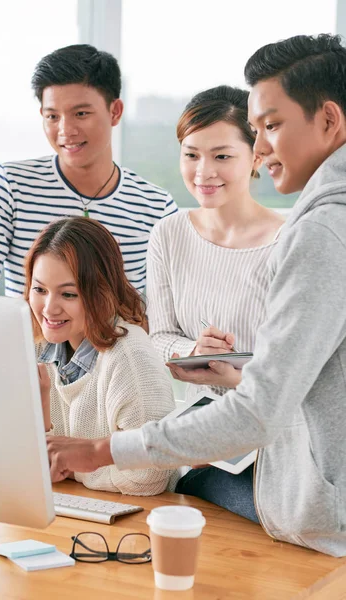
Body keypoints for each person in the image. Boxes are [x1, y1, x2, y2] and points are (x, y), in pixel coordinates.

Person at [46, 33, 346, 557]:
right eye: (258, 130)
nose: (262, 147)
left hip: (309, 499)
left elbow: (258, 412)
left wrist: (99, 451)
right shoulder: (177, 232)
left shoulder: (317, 231)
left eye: (271, 126)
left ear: (328, 120)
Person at [0, 44, 177, 297]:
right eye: (52, 116)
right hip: (26, 338)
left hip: (119, 338)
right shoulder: (11, 185)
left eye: (81, 113)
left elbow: (170, 309)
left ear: (115, 111)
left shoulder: (156, 207)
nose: (65, 130)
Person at [146, 86, 284, 399]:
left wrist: (235, 378)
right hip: (202, 420)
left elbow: (302, 366)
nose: (203, 172)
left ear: (256, 157)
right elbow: (159, 337)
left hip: (277, 427)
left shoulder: (287, 241)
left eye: (222, 156)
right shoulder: (168, 235)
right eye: (191, 155)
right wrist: (194, 348)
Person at [25, 216, 174, 495]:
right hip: (66, 505)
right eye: (40, 289)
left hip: (139, 515)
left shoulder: (130, 358)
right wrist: (42, 402)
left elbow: (150, 477)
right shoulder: (32, 345)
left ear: (101, 291)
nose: (49, 308)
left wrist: (76, 470)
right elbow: (24, 461)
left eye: (68, 294)